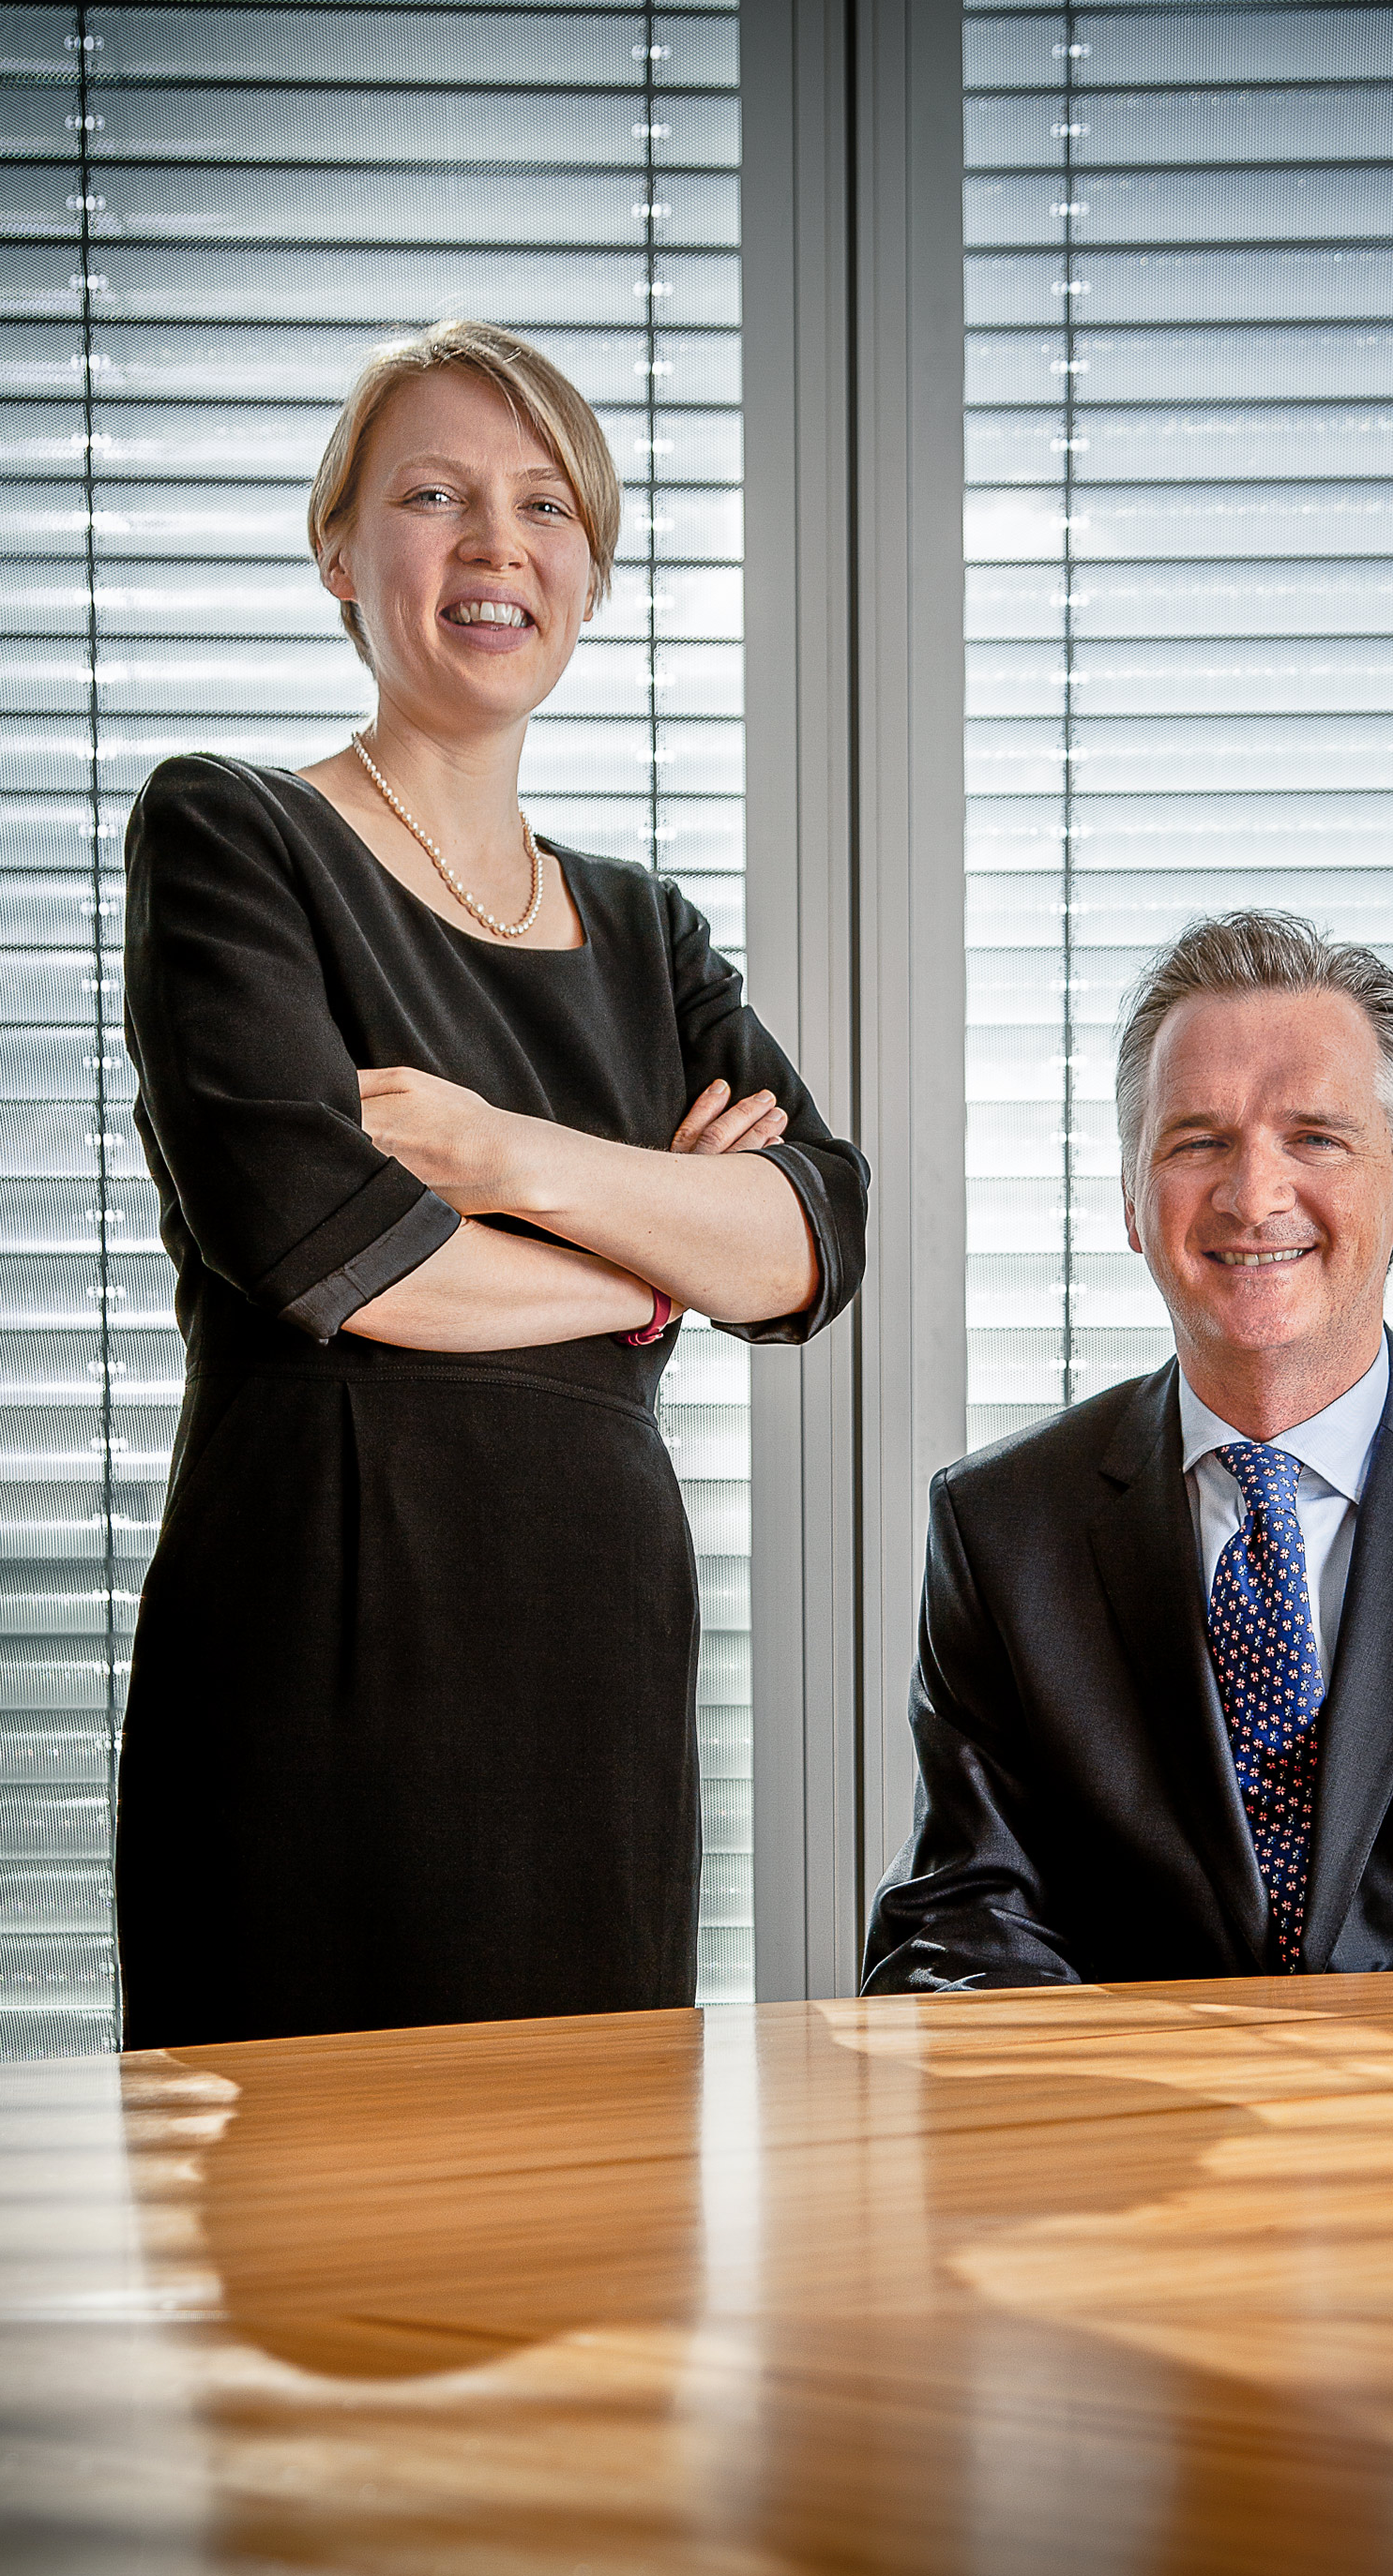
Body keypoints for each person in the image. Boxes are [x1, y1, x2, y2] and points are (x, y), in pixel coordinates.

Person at [116, 320, 867, 2047]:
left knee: (586, 2247)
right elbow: (338, 1257)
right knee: (301, 2252)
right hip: (323, 1637)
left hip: (592, 1669)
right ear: (339, 548)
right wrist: (652, 1258)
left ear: (589, 571)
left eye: (544, 506)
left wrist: (499, 1155)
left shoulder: (644, 928)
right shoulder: (236, 835)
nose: (493, 546)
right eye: (433, 495)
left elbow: (816, 1240)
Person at [865, 912, 1393, 1992]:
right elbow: (958, 1927)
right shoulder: (999, 1525)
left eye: (1314, 1138)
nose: (1253, 1195)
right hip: (1121, 2142)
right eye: (1197, 1141)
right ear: (1132, 1203)